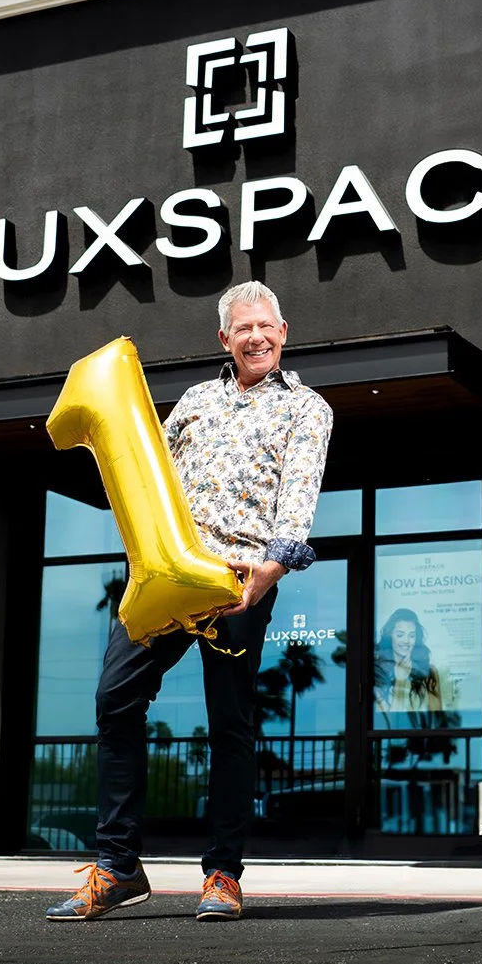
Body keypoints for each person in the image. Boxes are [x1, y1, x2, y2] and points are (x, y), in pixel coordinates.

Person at [47, 281, 333, 922]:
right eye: (244, 328)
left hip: (236, 583)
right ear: (224, 339)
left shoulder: (306, 409)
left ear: (283, 332)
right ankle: (118, 866)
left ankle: (223, 876)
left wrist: (271, 571)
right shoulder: (197, 401)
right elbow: (150, 476)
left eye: (267, 326)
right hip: (165, 574)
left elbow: (300, 493)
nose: (257, 337)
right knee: (114, 698)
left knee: (229, 724)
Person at [373, 607, 457, 724]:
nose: (406, 641)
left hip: (423, 740)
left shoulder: (429, 671)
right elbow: (390, 725)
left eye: (411, 636)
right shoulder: (378, 673)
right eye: (400, 635)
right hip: (393, 741)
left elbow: (437, 719)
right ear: (389, 636)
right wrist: (400, 681)